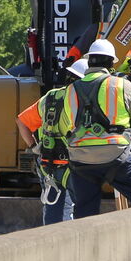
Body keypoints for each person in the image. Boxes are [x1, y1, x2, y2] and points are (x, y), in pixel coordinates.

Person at [57, 39, 131, 217]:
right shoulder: (120, 84)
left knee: (84, 212)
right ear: (110, 63)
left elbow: (63, 126)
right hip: (116, 156)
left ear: (89, 60)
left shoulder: (71, 90)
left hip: (80, 159)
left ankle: (86, 244)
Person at [17, 59, 89, 225]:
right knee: (71, 210)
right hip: (73, 166)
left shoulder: (50, 98)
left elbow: (22, 122)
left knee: (52, 209)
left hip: (49, 165)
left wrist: (34, 147)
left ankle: (50, 244)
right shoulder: (84, 101)